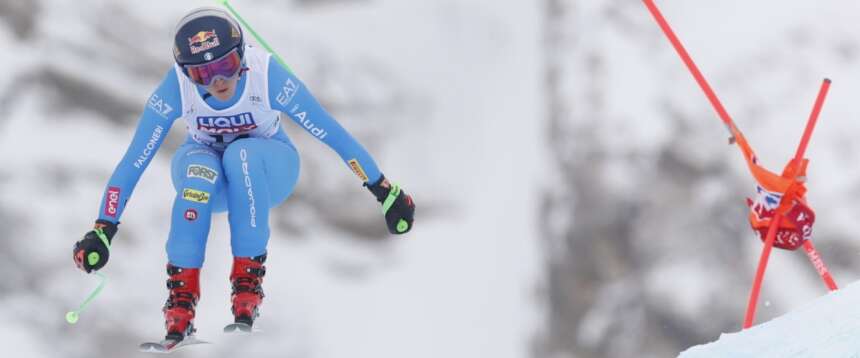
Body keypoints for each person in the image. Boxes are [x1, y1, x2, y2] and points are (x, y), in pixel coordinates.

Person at [71, 7, 415, 343]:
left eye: (227, 66)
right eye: (203, 75)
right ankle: (180, 302)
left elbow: (330, 132)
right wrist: (104, 228)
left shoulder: (267, 76)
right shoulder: (175, 87)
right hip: (211, 176)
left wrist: (384, 190)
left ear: (242, 57)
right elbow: (135, 160)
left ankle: (247, 286)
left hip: (270, 170)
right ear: (186, 73)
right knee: (199, 170)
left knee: (242, 154)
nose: (218, 81)